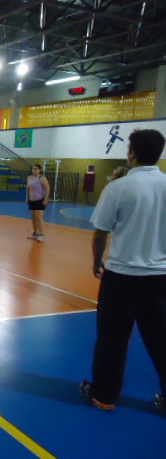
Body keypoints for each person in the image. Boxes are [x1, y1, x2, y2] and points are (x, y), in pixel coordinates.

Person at [80, 129, 166, 413]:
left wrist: (97, 261)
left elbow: (100, 233)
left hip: (122, 277)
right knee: (161, 339)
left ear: (132, 153)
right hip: (160, 278)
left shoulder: (118, 188)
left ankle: (104, 395)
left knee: (112, 339)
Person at [26, 164, 50, 242]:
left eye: (36, 169)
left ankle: (41, 234)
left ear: (39, 170)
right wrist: (28, 197)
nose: (34, 170)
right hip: (31, 201)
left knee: (39, 218)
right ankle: (35, 233)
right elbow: (29, 189)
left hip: (40, 200)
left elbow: (47, 188)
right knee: (33, 218)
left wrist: (46, 199)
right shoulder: (29, 178)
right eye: (33, 169)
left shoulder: (42, 178)